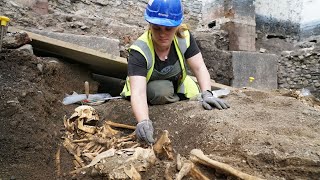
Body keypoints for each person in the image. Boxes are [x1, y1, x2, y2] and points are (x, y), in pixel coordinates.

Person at [121, 0, 230, 145]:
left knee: (194, 91)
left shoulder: (184, 37)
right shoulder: (139, 51)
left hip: (177, 82)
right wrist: (143, 121)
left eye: (168, 29)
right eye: (157, 28)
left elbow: (199, 67)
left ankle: (183, 97)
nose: (162, 34)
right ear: (150, 25)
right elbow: (139, 93)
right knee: (161, 90)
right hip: (148, 88)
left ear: (177, 25)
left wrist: (207, 93)